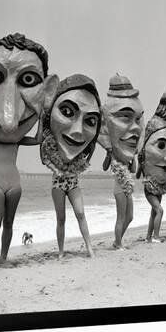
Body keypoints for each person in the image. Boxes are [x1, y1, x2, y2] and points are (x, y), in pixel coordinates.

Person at [0, 32, 59, 266]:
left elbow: (36, 140)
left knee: (8, 224)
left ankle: (3, 258)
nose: (8, 120)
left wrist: (41, 114)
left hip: (14, 184)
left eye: (28, 80)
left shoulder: (13, 141)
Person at [40, 74, 102, 258]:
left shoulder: (80, 149)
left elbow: (89, 152)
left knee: (81, 214)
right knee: (61, 219)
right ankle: (60, 252)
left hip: (73, 183)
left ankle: (90, 248)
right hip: (58, 184)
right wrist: (41, 117)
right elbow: (43, 155)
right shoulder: (52, 143)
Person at [98, 75, 144, 250]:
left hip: (128, 185)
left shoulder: (128, 152)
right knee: (120, 217)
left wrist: (134, 156)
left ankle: (118, 240)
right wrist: (109, 152)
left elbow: (132, 169)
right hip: (118, 188)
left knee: (130, 216)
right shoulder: (114, 150)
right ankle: (118, 243)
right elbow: (104, 167)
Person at [137, 92, 166, 242]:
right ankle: (155, 237)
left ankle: (149, 236)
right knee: (159, 210)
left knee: (154, 212)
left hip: (160, 185)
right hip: (149, 185)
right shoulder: (144, 152)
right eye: (161, 145)